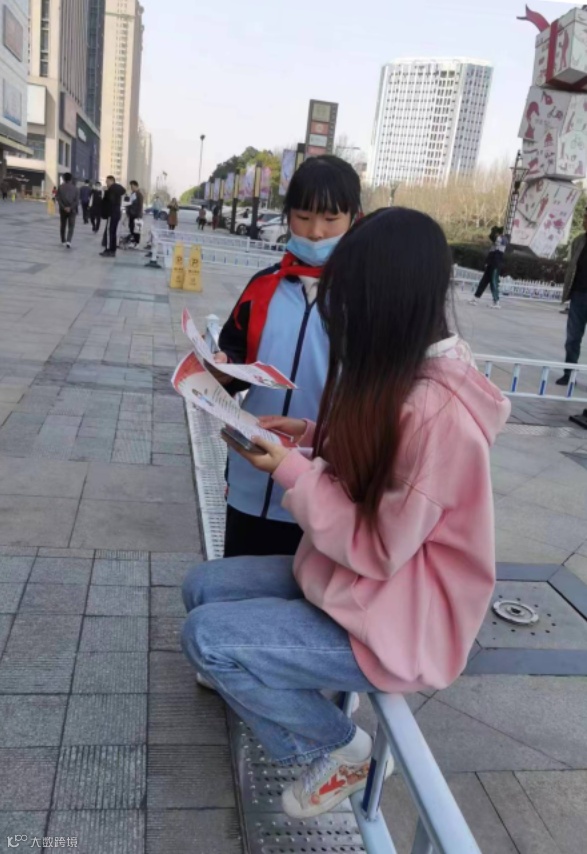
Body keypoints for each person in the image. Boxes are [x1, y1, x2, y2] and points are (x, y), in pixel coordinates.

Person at [181, 207, 511, 820]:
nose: (340, 316)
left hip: (397, 620)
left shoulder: (436, 416)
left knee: (206, 638)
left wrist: (291, 469)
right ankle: (270, 677)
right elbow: (372, 464)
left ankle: (339, 748)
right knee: (203, 587)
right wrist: (308, 437)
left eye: (349, 302)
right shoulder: (405, 371)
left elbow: (378, 549)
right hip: (352, 586)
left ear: (387, 301)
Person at [215, 155, 362, 558]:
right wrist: (222, 368)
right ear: (288, 216)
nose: (315, 232)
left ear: (354, 219)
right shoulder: (263, 287)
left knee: (305, 589)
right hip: (250, 471)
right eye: (303, 217)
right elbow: (236, 355)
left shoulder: (364, 300)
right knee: (238, 581)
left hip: (319, 482)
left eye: (330, 220)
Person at [556, 207, 587, 385]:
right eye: (584, 217)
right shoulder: (578, 241)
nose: (584, 221)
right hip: (579, 296)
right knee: (573, 338)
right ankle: (569, 374)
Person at [469, 226, 508, 308]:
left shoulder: (503, 239)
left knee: (494, 282)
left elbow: (495, 238)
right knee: (483, 282)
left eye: (495, 233)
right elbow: (491, 252)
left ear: (499, 233)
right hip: (491, 264)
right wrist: (487, 263)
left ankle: (496, 302)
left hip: (496, 264)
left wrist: (497, 234)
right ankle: (476, 298)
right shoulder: (496, 242)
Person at [100, 175, 126, 257]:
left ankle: (109, 249)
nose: (106, 183)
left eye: (107, 181)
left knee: (109, 232)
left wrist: (105, 195)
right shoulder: (118, 189)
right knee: (113, 232)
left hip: (111, 213)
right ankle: (112, 250)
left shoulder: (111, 190)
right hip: (117, 213)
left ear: (111, 181)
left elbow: (109, 201)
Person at [55, 173, 79, 248]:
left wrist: (64, 207)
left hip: (63, 210)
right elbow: (77, 201)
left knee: (63, 225)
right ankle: (69, 241)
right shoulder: (76, 189)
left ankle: (63, 240)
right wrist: (70, 208)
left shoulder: (60, 187)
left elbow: (58, 198)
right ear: (71, 179)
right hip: (72, 210)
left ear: (64, 179)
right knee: (71, 226)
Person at [128, 180, 144, 245]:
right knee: (131, 228)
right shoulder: (133, 194)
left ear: (136, 186)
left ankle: (136, 242)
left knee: (136, 229)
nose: (131, 188)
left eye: (132, 186)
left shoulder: (139, 195)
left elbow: (140, 205)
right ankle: (133, 241)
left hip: (136, 215)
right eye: (131, 186)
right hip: (131, 214)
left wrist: (138, 215)